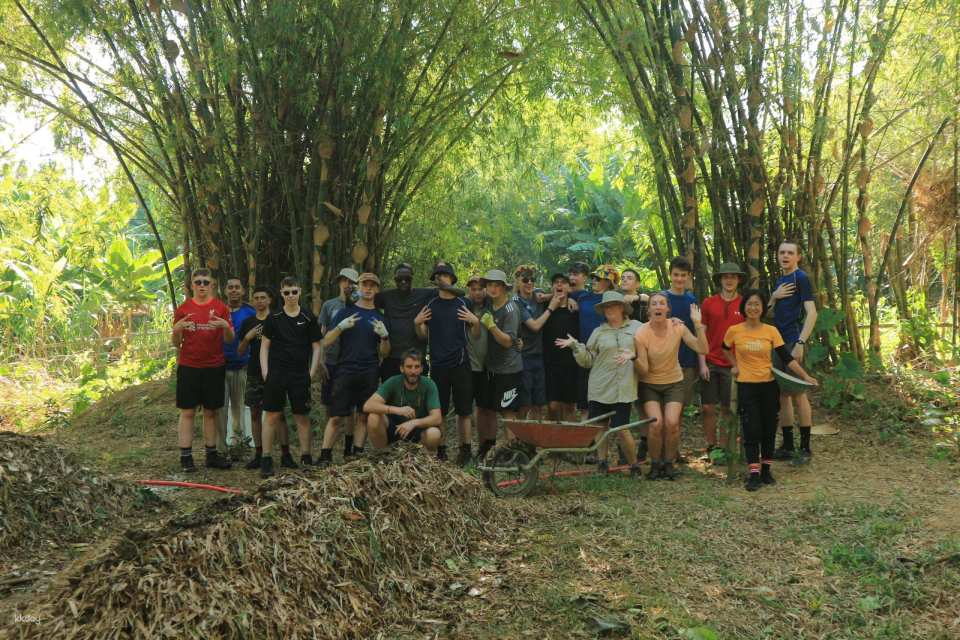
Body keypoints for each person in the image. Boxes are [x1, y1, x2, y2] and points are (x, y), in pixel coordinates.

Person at [723, 290, 818, 490]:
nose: (753, 308)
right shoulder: (734, 330)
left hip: (768, 385)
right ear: (744, 307)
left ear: (763, 308)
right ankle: (754, 473)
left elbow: (786, 357)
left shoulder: (771, 331)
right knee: (751, 429)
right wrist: (734, 364)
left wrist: (805, 376)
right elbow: (724, 348)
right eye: (749, 304)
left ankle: (766, 470)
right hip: (746, 386)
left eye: (757, 304)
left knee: (768, 429)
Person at [556, 291, 644, 474]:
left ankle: (634, 464)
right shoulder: (598, 332)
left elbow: (654, 335)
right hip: (600, 386)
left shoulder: (637, 327)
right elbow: (587, 360)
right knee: (599, 426)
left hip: (624, 388)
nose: (609, 310)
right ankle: (602, 462)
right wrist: (575, 346)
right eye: (606, 307)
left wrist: (673, 322)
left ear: (622, 308)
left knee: (622, 428)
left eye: (613, 306)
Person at [633, 292, 709, 480]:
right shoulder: (641, 333)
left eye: (662, 304)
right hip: (649, 384)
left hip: (674, 382)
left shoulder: (678, 327)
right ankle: (655, 464)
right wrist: (633, 358)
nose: (658, 307)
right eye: (654, 304)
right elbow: (642, 370)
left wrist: (697, 324)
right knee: (656, 424)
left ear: (667, 309)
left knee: (672, 423)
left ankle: (669, 464)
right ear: (648, 309)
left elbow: (703, 349)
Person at [319, 272, 390, 466]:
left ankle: (356, 454)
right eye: (364, 285)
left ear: (377, 289)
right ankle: (325, 455)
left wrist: (384, 337)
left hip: (369, 370)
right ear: (358, 287)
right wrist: (340, 327)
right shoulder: (344, 312)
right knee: (336, 416)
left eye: (372, 285)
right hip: (345, 369)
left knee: (363, 415)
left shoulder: (380, 317)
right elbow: (325, 342)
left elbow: (385, 352)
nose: (368, 288)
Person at [414, 262, 481, 465]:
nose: (441, 278)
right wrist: (417, 324)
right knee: (440, 411)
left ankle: (466, 450)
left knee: (464, 411)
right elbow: (422, 336)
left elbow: (475, 336)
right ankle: (441, 450)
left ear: (452, 278)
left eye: (445, 274)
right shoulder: (431, 304)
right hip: (438, 365)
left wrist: (475, 322)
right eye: (438, 275)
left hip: (461, 363)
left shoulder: (464, 303)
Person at [258, 276, 324, 477]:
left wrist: (311, 372)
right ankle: (266, 458)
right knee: (272, 415)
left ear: (300, 292)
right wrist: (266, 372)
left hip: (299, 374)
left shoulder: (308, 317)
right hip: (277, 373)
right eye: (287, 293)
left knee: (301, 416)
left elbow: (317, 346)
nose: (291, 296)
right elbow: (264, 346)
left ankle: (305, 456)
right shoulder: (274, 317)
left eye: (294, 291)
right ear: (281, 294)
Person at [172, 268, 235, 472]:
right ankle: (186, 457)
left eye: (205, 282)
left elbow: (229, 339)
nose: (201, 286)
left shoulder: (221, 308)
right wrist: (176, 330)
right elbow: (176, 343)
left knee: (211, 412)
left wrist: (226, 326)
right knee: (187, 412)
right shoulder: (183, 309)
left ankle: (211, 455)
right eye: (197, 282)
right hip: (189, 366)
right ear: (191, 285)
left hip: (214, 366)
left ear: (212, 285)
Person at [769, 240, 819, 463]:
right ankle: (788, 445)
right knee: (782, 394)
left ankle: (805, 448)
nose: (785, 256)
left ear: (798, 257)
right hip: (777, 343)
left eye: (790, 253)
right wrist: (774, 296)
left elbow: (812, 312)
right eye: (782, 252)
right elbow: (769, 314)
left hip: (791, 341)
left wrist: (800, 342)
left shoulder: (801, 278)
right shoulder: (781, 280)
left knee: (798, 393)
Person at [237, 286, 293, 470]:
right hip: (254, 372)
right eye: (256, 298)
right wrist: (248, 337)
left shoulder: (278, 319)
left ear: (270, 300)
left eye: (263, 297)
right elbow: (240, 351)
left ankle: (286, 454)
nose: (260, 300)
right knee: (255, 413)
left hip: (276, 372)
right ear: (252, 301)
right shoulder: (248, 322)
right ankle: (259, 454)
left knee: (279, 414)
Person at [699, 263, 745, 460]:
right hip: (710, 360)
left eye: (733, 277)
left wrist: (741, 364)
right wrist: (701, 362)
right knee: (707, 407)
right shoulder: (709, 302)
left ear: (738, 280)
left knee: (727, 407)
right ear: (720, 279)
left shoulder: (744, 304)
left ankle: (725, 449)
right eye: (725, 277)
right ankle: (711, 446)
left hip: (732, 364)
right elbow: (700, 333)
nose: (729, 280)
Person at [364, 349, 443, 453]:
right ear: (402, 368)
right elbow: (368, 405)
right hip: (395, 429)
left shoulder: (429, 384)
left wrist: (413, 423)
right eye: (409, 367)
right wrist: (397, 410)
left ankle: (424, 457)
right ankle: (382, 454)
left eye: (417, 367)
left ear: (421, 369)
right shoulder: (393, 381)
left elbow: (437, 418)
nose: (413, 371)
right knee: (373, 417)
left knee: (435, 434)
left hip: (417, 431)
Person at [318, 267, 360, 459]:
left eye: (351, 282)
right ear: (339, 282)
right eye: (344, 280)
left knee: (351, 407)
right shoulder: (329, 305)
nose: (347, 284)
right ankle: (329, 448)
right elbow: (322, 334)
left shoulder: (361, 304)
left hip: (350, 361)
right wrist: (320, 360)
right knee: (330, 405)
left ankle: (348, 448)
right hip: (332, 360)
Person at [217, 276, 256, 455]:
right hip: (220, 366)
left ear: (243, 291)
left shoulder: (250, 312)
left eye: (237, 287)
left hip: (243, 365)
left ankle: (239, 443)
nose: (233, 290)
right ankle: (221, 447)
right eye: (230, 287)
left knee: (240, 407)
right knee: (221, 408)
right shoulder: (217, 310)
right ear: (225, 291)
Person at [477, 269, 523, 421]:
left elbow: (508, 342)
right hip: (491, 368)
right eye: (489, 285)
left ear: (504, 287)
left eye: (497, 285)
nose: (493, 289)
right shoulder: (488, 304)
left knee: (507, 411)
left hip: (509, 369)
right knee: (488, 409)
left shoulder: (511, 309)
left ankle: (513, 444)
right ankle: (489, 444)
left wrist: (491, 326)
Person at [375, 263, 434, 380]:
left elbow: (446, 293)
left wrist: (439, 275)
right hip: (392, 358)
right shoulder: (386, 296)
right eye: (399, 279)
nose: (403, 282)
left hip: (415, 359)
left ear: (412, 278)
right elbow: (366, 299)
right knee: (391, 397)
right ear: (394, 280)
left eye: (407, 278)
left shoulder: (424, 294)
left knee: (417, 397)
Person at [512, 265, 556, 420]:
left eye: (532, 279)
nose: (529, 282)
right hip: (523, 356)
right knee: (524, 403)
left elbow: (560, 292)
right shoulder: (516, 301)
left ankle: (534, 439)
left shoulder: (537, 294)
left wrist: (548, 297)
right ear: (517, 281)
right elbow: (535, 326)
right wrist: (550, 308)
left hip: (539, 355)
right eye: (525, 279)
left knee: (539, 403)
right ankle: (520, 438)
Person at [664, 257, 706, 415]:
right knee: (664, 407)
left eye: (683, 275)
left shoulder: (691, 300)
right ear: (670, 275)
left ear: (689, 276)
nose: (679, 279)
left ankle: (675, 439)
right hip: (665, 358)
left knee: (680, 407)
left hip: (687, 359)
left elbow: (696, 330)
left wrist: (701, 364)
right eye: (676, 274)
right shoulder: (662, 298)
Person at [465, 275, 498, 461]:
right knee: (474, 408)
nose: (477, 292)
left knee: (490, 408)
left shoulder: (492, 307)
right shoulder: (463, 306)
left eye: (480, 288)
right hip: (469, 365)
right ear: (469, 290)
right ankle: (478, 446)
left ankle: (490, 445)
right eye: (474, 289)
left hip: (490, 365)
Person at [541, 273, 580, 422]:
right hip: (550, 362)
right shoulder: (545, 306)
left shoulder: (575, 308)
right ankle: (550, 440)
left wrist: (570, 298)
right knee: (552, 406)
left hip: (571, 362)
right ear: (552, 287)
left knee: (570, 406)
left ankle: (568, 442)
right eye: (556, 282)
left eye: (563, 283)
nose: (559, 285)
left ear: (569, 287)